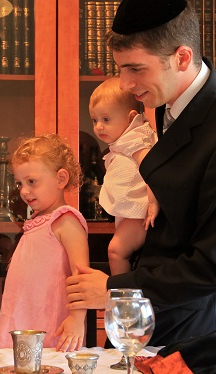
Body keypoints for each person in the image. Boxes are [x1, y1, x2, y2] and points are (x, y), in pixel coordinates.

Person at [66, 0, 216, 347]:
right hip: (145, 315)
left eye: (135, 69)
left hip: (196, 328)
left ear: (181, 58)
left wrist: (113, 289)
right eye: (121, 69)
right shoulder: (165, 98)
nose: (126, 84)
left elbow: (215, 266)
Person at [0, 134, 89, 352]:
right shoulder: (36, 222)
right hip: (19, 321)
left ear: (61, 179)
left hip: (49, 327)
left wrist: (76, 319)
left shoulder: (66, 220)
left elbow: (81, 275)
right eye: (20, 183)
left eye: (32, 182)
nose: (24, 191)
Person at [89, 77, 158, 275]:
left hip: (140, 214)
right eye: (95, 120)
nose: (99, 127)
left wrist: (153, 203)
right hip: (132, 214)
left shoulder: (135, 140)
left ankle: (120, 295)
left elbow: (151, 168)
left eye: (106, 119)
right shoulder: (126, 141)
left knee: (115, 251)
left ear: (131, 118)